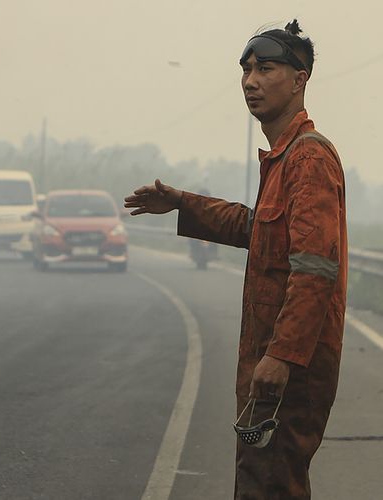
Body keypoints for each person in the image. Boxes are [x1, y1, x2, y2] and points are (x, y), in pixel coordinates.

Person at [124, 20, 347, 499]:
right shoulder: (284, 160)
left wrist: (283, 355)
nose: (251, 81)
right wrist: (184, 202)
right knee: (264, 482)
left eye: (266, 68)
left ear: (300, 78)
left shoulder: (309, 159)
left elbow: (315, 269)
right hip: (271, 359)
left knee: (270, 485)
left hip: (291, 366)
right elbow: (257, 229)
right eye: (246, 70)